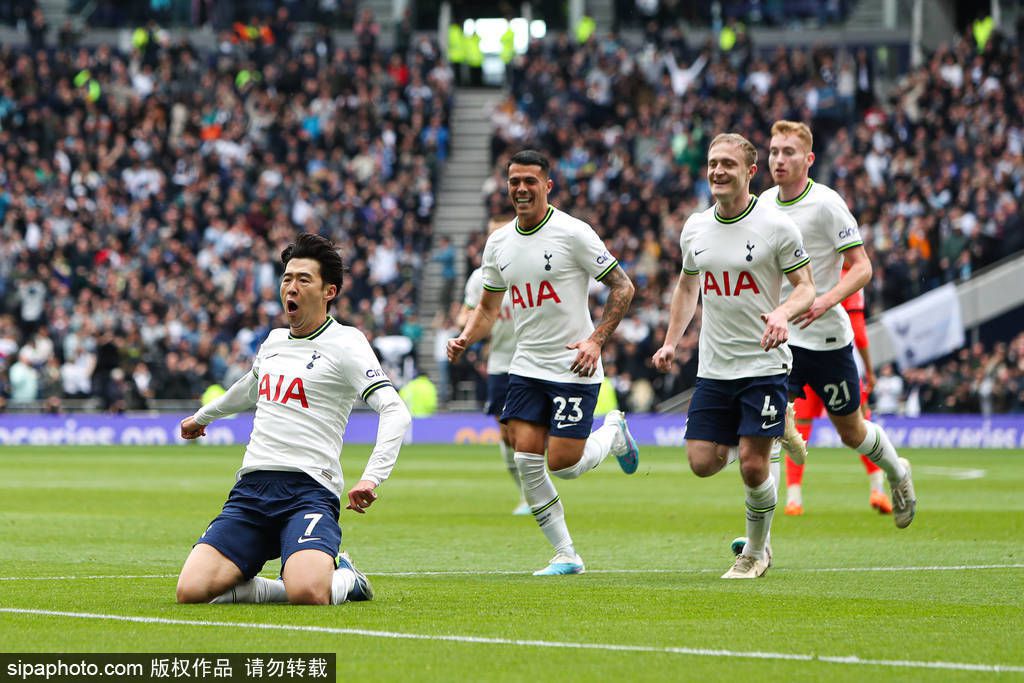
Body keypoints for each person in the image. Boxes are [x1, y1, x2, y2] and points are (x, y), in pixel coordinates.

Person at [176, 233, 411, 605]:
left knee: (310, 594)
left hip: (309, 491)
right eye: (287, 278)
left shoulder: (347, 343)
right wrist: (202, 418)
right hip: (252, 490)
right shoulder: (272, 342)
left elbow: (395, 410)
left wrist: (371, 476)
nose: (292, 286)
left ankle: (346, 577)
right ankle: (292, 581)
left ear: (328, 291)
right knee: (190, 592)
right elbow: (248, 388)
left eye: (304, 279)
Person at [448, 150, 640, 576]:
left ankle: (614, 431)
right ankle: (566, 553)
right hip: (526, 366)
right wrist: (466, 337)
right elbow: (487, 308)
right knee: (526, 458)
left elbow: (623, 287)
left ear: (547, 185)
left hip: (574, 365)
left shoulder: (573, 233)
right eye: (514, 181)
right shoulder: (498, 243)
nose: (520, 188)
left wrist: (596, 340)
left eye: (529, 181)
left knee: (564, 464)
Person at [652, 132, 816, 579]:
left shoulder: (776, 226)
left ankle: (756, 553)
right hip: (714, 367)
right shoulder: (696, 227)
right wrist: (671, 340)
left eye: (728, 164)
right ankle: (774, 424)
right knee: (702, 463)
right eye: (712, 163)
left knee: (751, 464)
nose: (718, 171)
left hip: (764, 364)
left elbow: (807, 288)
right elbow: (688, 287)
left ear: (750, 171)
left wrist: (782, 313)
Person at [760, 120, 916, 528]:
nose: (779, 159)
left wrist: (825, 299)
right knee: (768, 431)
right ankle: (760, 541)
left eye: (788, 152)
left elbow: (862, 267)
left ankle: (898, 474)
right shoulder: (761, 205)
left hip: (828, 339)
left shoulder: (827, 204)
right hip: (783, 342)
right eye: (774, 151)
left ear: (809, 159)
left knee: (852, 433)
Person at [783, 264, 893, 516]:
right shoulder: (848, 280)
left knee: (796, 428)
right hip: (837, 364)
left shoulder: (803, 275)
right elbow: (860, 335)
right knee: (859, 426)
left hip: (802, 357)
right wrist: (869, 371)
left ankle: (794, 497)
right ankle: (878, 487)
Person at [458, 215, 530, 515]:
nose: (494, 240)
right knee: (506, 434)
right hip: (500, 362)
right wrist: (467, 328)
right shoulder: (480, 278)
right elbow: (465, 314)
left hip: (534, 359)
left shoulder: (529, 269)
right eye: (490, 235)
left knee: (536, 436)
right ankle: (528, 495)